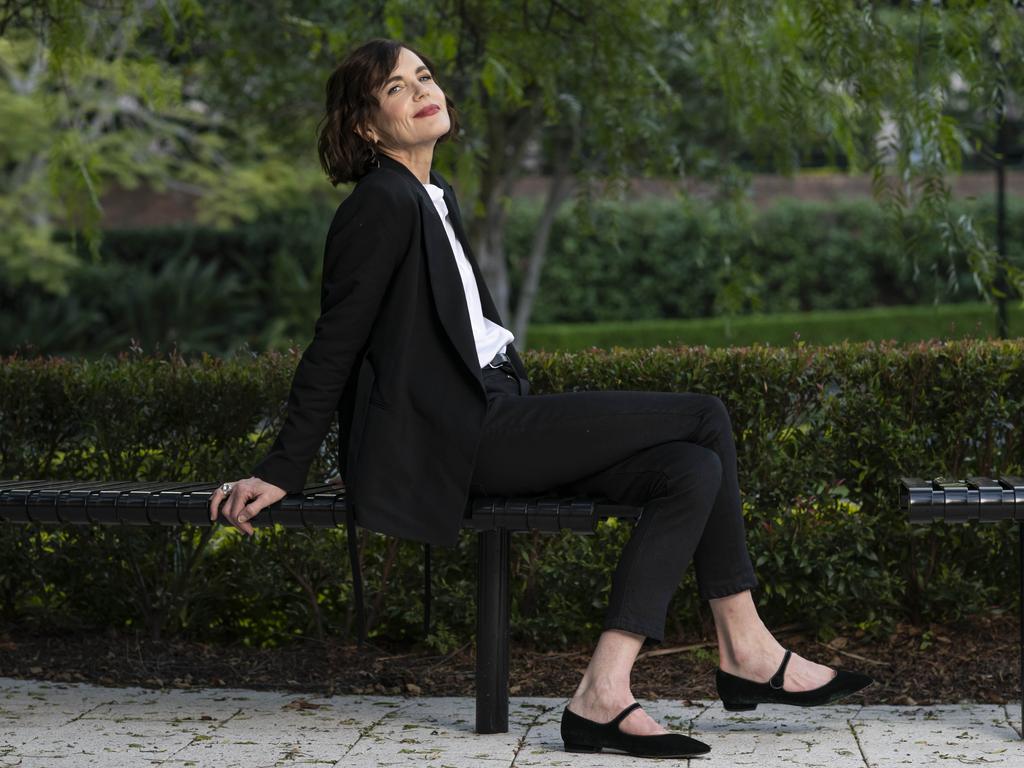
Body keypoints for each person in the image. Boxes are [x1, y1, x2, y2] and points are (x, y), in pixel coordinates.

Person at [209, 37, 873, 758]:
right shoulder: (381, 204)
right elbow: (334, 346)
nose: (422, 90)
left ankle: (602, 694)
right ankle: (745, 647)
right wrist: (282, 470)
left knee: (691, 469)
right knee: (705, 414)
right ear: (367, 126)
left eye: (424, 76)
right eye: (396, 88)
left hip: (495, 412)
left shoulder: (434, 197)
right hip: (467, 434)